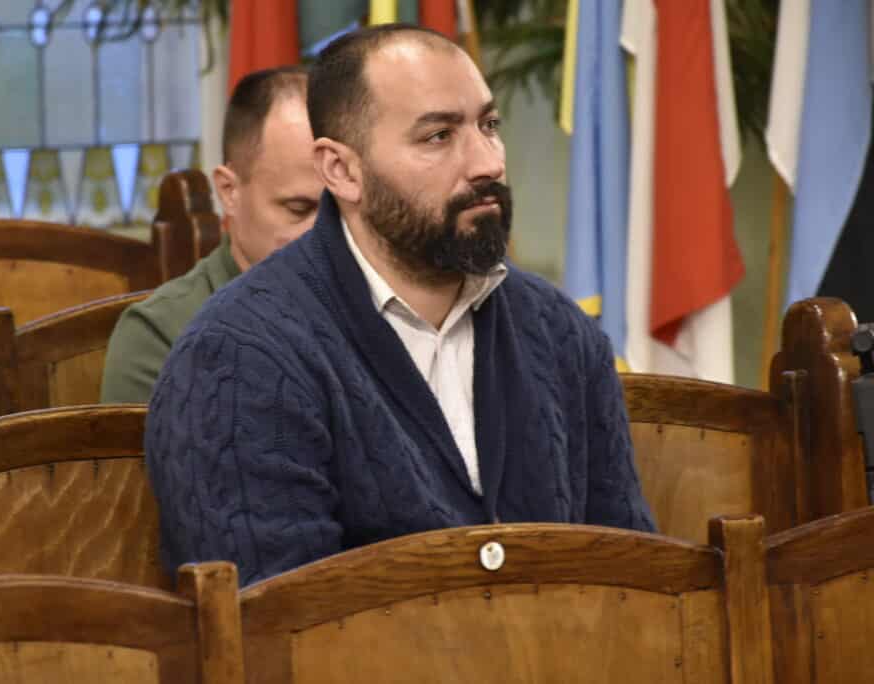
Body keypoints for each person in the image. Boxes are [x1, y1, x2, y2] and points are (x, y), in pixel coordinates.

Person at [146, 24, 655, 585]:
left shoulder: (561, 332)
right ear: (341, 170)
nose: (486, 163)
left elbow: (634, 580)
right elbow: (278, 621)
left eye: (489, 126)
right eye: (438, 136)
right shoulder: (239, 357)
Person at [100, 66, 322, 403]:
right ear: (229, 191)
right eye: (298, 209)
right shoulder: (161, 334)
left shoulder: (377, 304)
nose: (325, 232)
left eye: (341, 210)